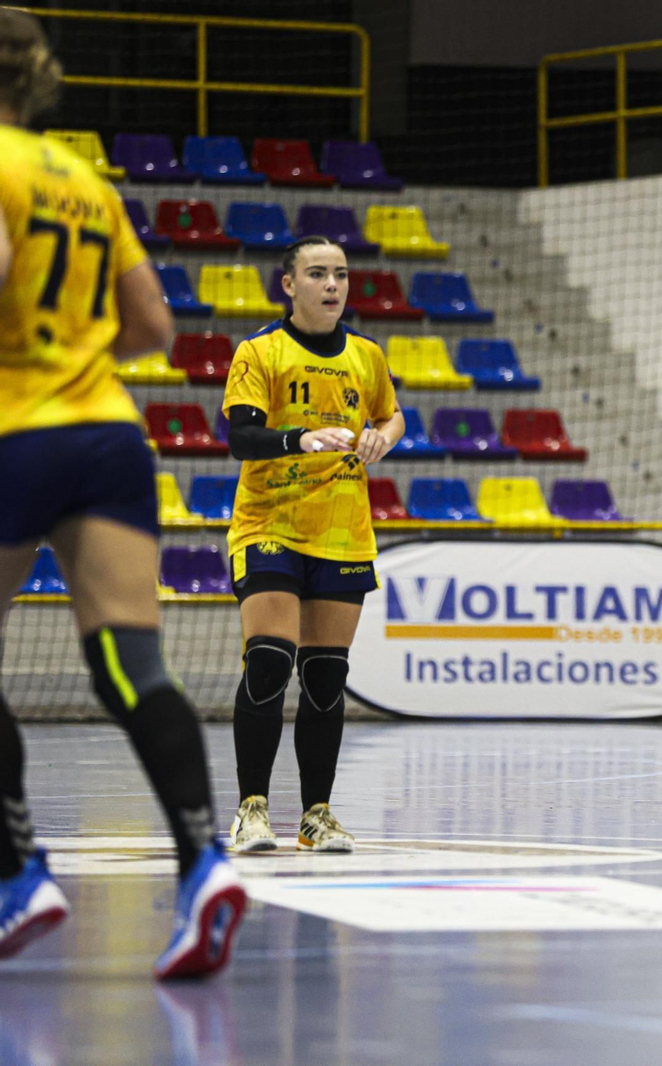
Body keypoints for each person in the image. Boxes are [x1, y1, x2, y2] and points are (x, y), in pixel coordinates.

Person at [0, 9, 245, 978]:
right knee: (129, 660)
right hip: (107, 434)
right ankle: (203, 861)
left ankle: (20, 869)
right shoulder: (81, 180)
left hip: (15, 428)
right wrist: (76, 353)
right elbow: (152, 323)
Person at [223, 235, 403, 854]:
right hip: (269, 522)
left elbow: (391, 414)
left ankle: (316, 816)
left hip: (343, 529)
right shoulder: (259, 352)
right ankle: (252, 809)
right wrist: (297, 439)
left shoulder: (367, 355)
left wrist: (385, 436)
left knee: (326, 678)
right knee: (270, 660)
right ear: (289, 284)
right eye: (318, 273)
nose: (333, 285)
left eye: (342, 274)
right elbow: (241, 437)